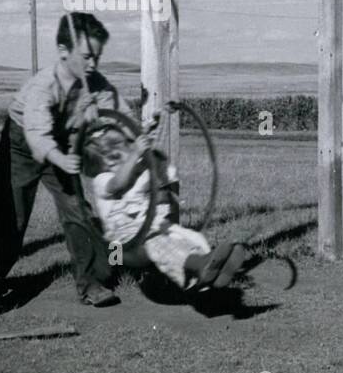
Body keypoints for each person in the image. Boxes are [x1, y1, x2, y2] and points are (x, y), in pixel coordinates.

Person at [0, 12, 129, 308]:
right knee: (12, 216)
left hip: (62, 147)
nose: (93, 64)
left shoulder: (96, 83)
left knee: (77, 212)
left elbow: (120, 116)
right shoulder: (44, 85)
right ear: (64, 52)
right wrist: (60, 161)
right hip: (22, 145)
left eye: (97, 58)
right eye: (87, 56)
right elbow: (38, 135)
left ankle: (91, 284)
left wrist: (115, 131)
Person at [80, 124, 245, 294]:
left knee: (184, 237)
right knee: (158, 244)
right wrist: (135, 154)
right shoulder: (101, 180)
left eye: (126, 153)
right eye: (118, 158)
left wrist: (147, 144)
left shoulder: (126, 172)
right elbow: (117, 184)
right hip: (121, 244)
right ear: (104, 163)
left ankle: (212, 268)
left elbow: (146, 177)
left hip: (145, 230)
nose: (127, 160)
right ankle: (199, 265)